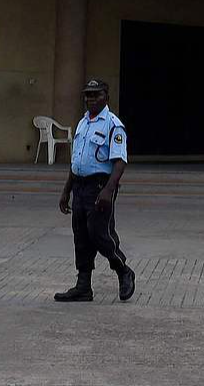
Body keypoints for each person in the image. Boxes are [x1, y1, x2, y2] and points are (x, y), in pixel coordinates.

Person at [54, 78, 135, 301]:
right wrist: (66, 190)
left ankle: (123, 271)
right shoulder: (83, 124)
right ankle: (83, 286)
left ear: (106, 97)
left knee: (100, 234)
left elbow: (120, 162)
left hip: (100, 186)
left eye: (96, 95)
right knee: (80, 236)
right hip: (80, 186)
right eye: (88, 95)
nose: (91, 99)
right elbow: (76, 161)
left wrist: (109, 190)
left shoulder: (113, 125)